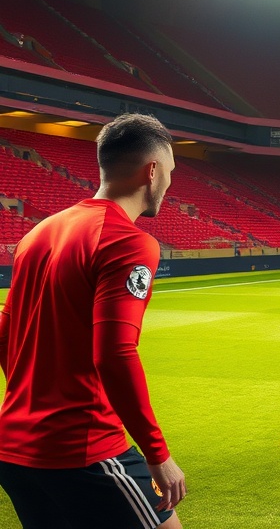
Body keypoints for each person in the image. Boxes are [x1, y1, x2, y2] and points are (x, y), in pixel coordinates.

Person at [0, 113, 187, 528]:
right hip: (82, 449)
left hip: (14, 449)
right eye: (170, 171)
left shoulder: (38, 234)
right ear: (152, 171)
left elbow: (4, 334)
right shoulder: (127, 241)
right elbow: (115, 354)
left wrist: (41, 402)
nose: (170, 183)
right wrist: (157, 453)